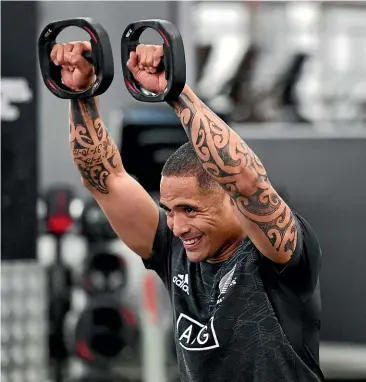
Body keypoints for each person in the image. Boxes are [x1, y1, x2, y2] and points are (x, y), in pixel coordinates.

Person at [50, 40, 324, 382]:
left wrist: (176, 91)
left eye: (190, 210)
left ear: (229, 198)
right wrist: (80, 93)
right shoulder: (172, 250)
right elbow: (105, 178)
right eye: (169, 211)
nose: (178, 226)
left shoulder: (278, 256)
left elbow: (245, 179)